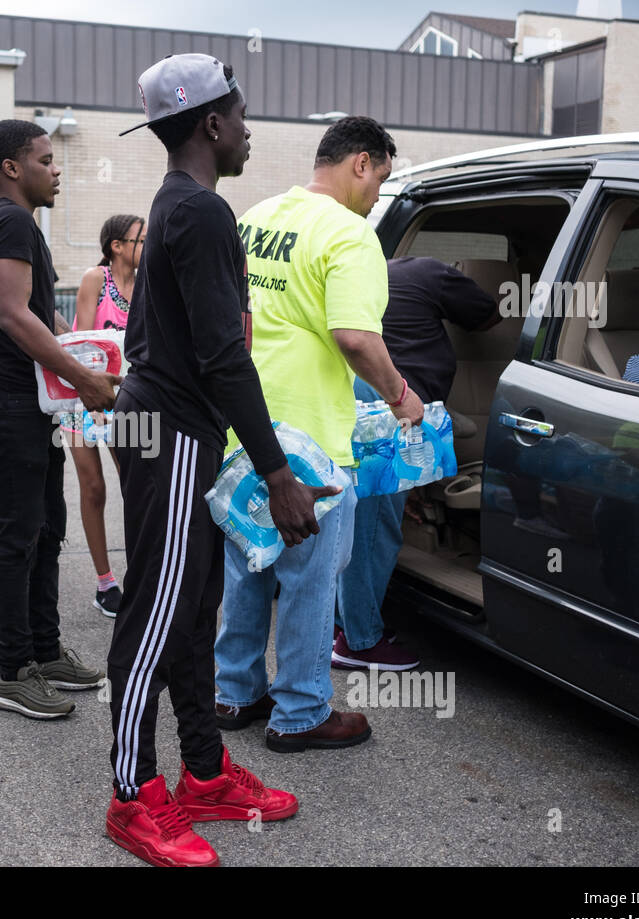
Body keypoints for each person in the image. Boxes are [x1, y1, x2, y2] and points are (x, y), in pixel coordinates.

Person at [106, 54, 333, 868]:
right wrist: (276, 474)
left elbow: (154, 340)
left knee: (195, 609)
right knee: (156, 612)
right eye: (239, 115)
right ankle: (132, 796)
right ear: (209, 123)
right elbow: (222, 359)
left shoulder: (185, 208)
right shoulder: (197, 212)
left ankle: (203, 773)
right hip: (169, 437)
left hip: (180, 434)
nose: (248, 129)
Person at [214, 116, 417, 755]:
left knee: (248, 563)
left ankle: (234, 693)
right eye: (380, 178)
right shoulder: (350, 234)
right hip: (309, 440)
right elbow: (355, 337)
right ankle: (301, 711)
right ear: (361, 162)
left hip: (242, 427)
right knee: (309, 577)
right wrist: (401, 396)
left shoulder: (256, 217)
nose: (378, 196)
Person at [0, 119, 120, 720]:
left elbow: (37, 319)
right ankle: (12, 671)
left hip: (31, 402)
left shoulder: (18, 223)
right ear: (11, 167)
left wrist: (86, 357)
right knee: (20, 536)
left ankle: (46, 651)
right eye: (47, 160)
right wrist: (82, 378)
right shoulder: (9, 219)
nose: (57, 170)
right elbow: (10, 316)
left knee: (48, 528)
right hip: (2, 399)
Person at [334, 256, 500, 671]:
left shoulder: (367, 271)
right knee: (373, 533)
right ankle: (359, 641)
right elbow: (487, 316)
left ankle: (347, 625)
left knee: (360, 525)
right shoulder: (433, 271)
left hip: (360, 406)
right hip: (391, 414)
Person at [66, 213, 145, 618]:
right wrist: (89, 395)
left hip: (130, 400)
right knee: (93, 487)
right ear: (116, 246)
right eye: (139, 240)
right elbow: (81, 339)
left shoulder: (149, 283)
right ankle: (104, 583)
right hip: (85, 397)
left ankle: (142, 574)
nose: (146, 246)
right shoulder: (95, 280)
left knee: (137, 488)